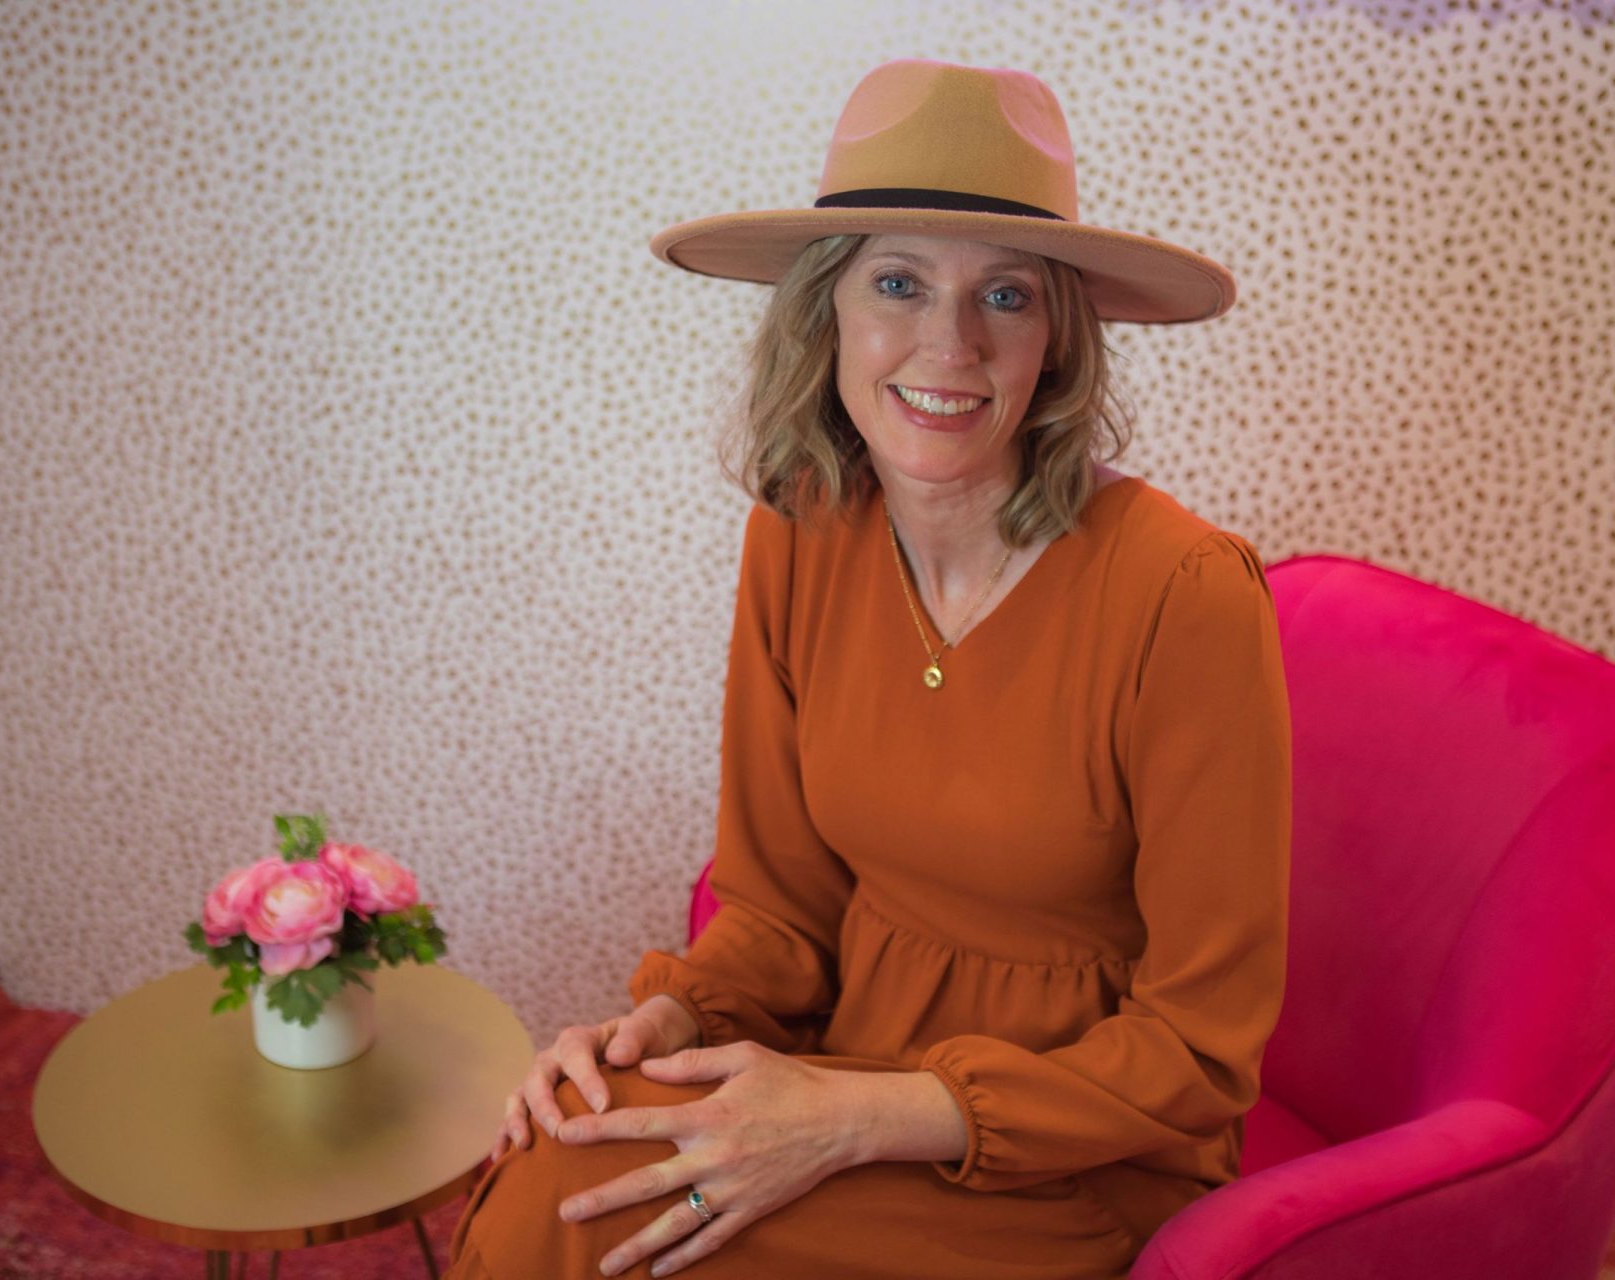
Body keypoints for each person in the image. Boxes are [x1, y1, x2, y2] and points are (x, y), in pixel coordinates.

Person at [446, 58, 1290, 1280]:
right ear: (825, 314)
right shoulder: (797, 529)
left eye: (1006, 295)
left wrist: (860, 1116)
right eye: (899, 283)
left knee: (582, 1215)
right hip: (842, 1068)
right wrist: (663, 1025)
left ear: (1057, 339)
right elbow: (781, 910)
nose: (950, 345)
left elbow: (1202, 1053)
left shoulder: (1186, 594)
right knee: (558, 1159)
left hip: (1080, 1154)